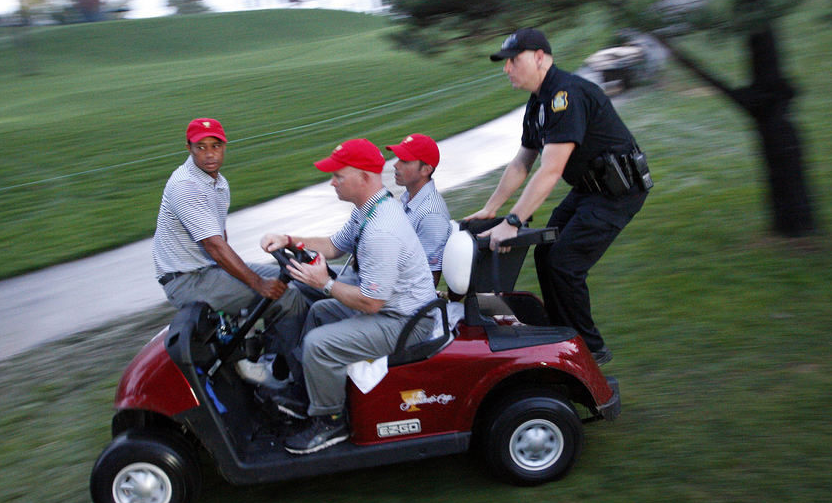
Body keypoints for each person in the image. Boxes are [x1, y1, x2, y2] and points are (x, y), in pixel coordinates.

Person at [465, 28, 652, 365]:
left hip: (617, 194)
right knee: (546, 253)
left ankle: (589, 348)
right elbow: (523, 162)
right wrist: (490, 208)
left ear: (540, 57)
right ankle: (562, 335)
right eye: (504, 63)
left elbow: (550, 171)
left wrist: (513, 221)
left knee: (565, 263)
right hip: (588, 189)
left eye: (513, 61)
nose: (507, 69)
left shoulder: (565, 95)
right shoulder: (538, 103)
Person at [260, 139, 437, 454]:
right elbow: (333, 245)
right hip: (392, 311)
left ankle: (330, 421)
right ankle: (311, 395)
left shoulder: (381, 230)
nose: (331, 182)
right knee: (319, 313)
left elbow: (372, 303)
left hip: (406, 322)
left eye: (338, 176)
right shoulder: (370, 209)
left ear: (365, 178)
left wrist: (324, 282)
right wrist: (288, 239)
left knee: (319, 344)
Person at [152, 117, 308, 379]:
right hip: (188, 280)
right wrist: (257, 283)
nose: (209, 154)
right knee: (287, 297)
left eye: (215, 145)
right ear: (188, 147)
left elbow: (220, 239)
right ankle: (290, 378)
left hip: (208, 270)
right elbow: (214, 246)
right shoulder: (186, 187)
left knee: (298, 279)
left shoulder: (217, 182)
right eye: (201, 147)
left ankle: (270, 355)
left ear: (225, 146)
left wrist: (248, 278)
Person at [385, 134, 452, 285]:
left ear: (426, 170)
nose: (396, 165)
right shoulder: (409, 198)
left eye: (405, 161)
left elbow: (427, 281)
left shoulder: (431, 215)